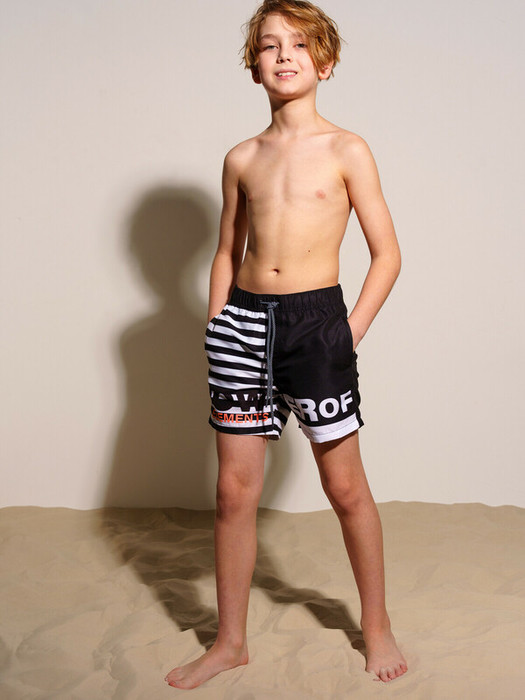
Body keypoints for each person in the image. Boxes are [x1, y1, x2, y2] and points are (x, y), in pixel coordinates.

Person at [166, 0, 407, 688]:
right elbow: (225, 250)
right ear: (254, 68)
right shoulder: (241, 157)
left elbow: (387, 254)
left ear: (324, 63)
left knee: (344, 486)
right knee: (232, 491)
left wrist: (347, 331)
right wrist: (217, 324)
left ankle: (377, 626)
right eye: (269, 45)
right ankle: (230, 642)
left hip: (316, 323)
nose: (283, 55)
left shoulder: (347, 149)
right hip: (243, 324)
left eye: (299, 44)